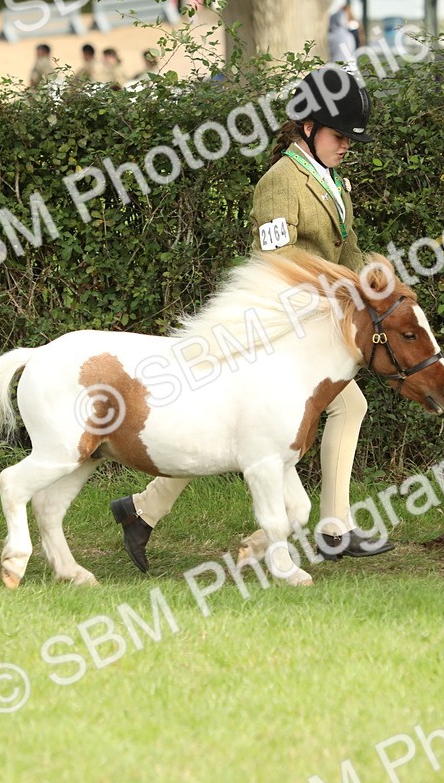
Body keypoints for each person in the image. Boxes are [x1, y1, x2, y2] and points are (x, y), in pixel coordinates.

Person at [111, 67, 392, 572]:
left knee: (243, 425)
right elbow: (277, 260)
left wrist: (374, 275)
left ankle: (144, 510)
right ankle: (328, 527)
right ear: (307, 127)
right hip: (279, 324)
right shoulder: (280, 182)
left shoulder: (332, 182)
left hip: (311, 331)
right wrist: (335, 287)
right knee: (319, 412)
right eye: (339, 134)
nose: (347, 144)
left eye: (351, 137)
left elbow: (346, 251)